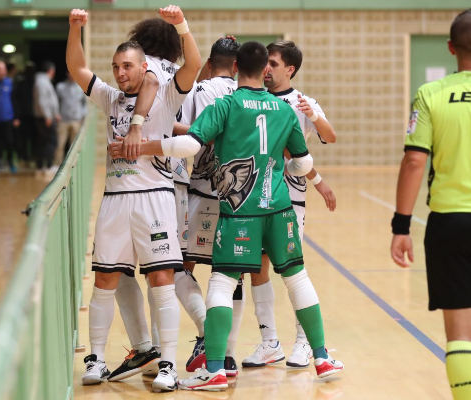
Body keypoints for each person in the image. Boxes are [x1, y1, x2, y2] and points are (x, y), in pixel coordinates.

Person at [111, 41, 344, 391]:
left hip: (239, 211)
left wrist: (144, 147)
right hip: (280, 209)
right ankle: (322, 357)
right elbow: (303, 163)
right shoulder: (284, 109)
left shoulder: (226, 105)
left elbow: (190, 145)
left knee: (222, 283)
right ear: (264, 70)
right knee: (297, 278)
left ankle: (216, 369)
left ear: (236, 68)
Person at [66, 6, 201, 392]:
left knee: (161, 278)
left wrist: (181, 25)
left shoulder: (168, 95)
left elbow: (193, 63)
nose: (120, 73)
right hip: (116, 200)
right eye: (115, 67)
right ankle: (95, 359)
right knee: (104, 279)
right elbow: (77, 68)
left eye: (127, 66)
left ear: (144, 67)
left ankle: (168, 365)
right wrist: (74, 28)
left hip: (155, 199)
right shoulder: (110, 98)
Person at [241, 40, 338, 370]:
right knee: (258, 268)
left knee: (293, 271)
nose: (267, 68)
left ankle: (305, 341)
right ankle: (270, 342)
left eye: (274, 63)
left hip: (289, 198)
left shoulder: (301, 102)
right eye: (265, 62)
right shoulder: (254, 98)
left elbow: (329, 136)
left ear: (290, 69)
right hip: (256, 197)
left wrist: (314, 116)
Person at [390, 9, 471, 400]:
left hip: (450, 223)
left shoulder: (431, 94)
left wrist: (401, 226)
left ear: (451, 47)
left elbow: (414, 161)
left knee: (460, 333)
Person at [175, 37, 242, 375]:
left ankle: (205, 334)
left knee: (179, 267)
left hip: (203, 191)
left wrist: (199, 132)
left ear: (210, 62)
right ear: (237, 66)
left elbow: (181, 130)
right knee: (232, 277)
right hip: (239, 199)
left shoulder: (199, 91)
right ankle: (228, 355)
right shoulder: (247, 95)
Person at [34, 61, 60, 175]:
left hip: (45, 117)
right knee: (51, 141)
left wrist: (55, 113)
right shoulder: (42, 82)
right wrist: (48, 116)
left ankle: (41, 166)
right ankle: (48, 165)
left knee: (43, 141)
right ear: (51, 71)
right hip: (44, 118)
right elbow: (42, 101)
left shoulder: (43, 81)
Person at [55, 71, 86, 166]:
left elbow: (84, 103)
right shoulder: (60, 87)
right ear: (67, 74)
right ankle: (57, 165)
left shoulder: (81, 87)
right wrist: (57, 114)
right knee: (60, 144)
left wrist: (83, 116)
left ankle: (74, 165)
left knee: (75, 146)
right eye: (70, 73)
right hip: (63, 120)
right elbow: (56, 102)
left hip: (76, 120)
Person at [14, 62, 38, 167]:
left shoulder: (34, 83)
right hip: (27, 114)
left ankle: (28, 158)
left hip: (30, 114)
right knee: (28, 138)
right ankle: (27, 158)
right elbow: (16, 100)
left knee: (29, 138)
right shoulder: (24, 83)